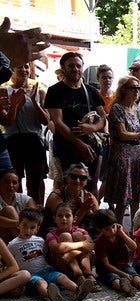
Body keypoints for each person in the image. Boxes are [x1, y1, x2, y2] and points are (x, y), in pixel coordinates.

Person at [44, 52, 106, 197]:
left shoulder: (91, 91)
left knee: (90, 186)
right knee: (69, 188)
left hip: (91, 147)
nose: (75, 69)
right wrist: (80, 144)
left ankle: (89, 217)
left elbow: (103, 117)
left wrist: (92, 128)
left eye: (78, 66)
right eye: (71, 66)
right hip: (68, 148)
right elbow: (58, 122)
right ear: (63, 68)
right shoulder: (55, 91)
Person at [9, 207, 92, 301]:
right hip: (31, 274)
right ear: (18, 225)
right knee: (41, 283)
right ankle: (51, 296)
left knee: (62, 277)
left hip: (47, 270)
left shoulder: (40, 240)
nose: (28, 230)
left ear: (37, 228)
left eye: (32, 227)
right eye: (25, 226)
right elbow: (11, 263)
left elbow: (46, 255)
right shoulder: (12, 244)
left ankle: (78, 290)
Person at [104, 76, 140, 224]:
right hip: (122, 153)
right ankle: (117, 230)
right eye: (132, 88)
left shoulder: (135, 107)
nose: (136, 91)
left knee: (136, 195)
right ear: (123, 90)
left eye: (138, 88)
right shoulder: (117, 108)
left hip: (136, 154)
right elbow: (122, 133)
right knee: (122, 198)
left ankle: (136, 230)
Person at [2, 61, 49, 204]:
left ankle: (37, 216)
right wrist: (15, 105)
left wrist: (35, 102)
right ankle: (18, 216)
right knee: (15, 185)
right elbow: (6, 122)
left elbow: (46, 120)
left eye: (26, 66)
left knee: (35, 185)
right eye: (20, 66)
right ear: (12, 69)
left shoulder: (39, 90)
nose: (24, 70)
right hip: (13, 140)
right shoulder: (4, 91)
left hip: (34, 140)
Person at [91, 209, 140, 296]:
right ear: (100, 230)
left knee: (133, 275)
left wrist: (122, 233)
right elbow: (107, 265)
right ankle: (125, 288)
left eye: (113, 226)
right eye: (107, 229)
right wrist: (122, 274)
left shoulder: (121, 234)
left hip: (123, 265)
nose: (112, 231)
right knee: (114, 279)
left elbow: (134, 247)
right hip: (106, 269)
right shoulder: (100, 242)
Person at [43, 162, 98, 231]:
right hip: (54, 232)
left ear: (86, 182)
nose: (77, 181)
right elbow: (65, 226)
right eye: (74, 177)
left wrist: (90, 214)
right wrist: (83, 210)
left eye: (82, 178)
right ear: (67, 178)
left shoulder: (89, 197)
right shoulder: (55, 197)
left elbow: (99, 221)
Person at [0, 169, 36, 242]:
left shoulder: (26, 199)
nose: (11, 185)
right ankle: (27, 244)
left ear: (18, 185)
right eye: (7, 182)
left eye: (14, 183)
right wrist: (20, 223)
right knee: (9, 210)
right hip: (3, 237)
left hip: (24, 234)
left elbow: (35, 218)